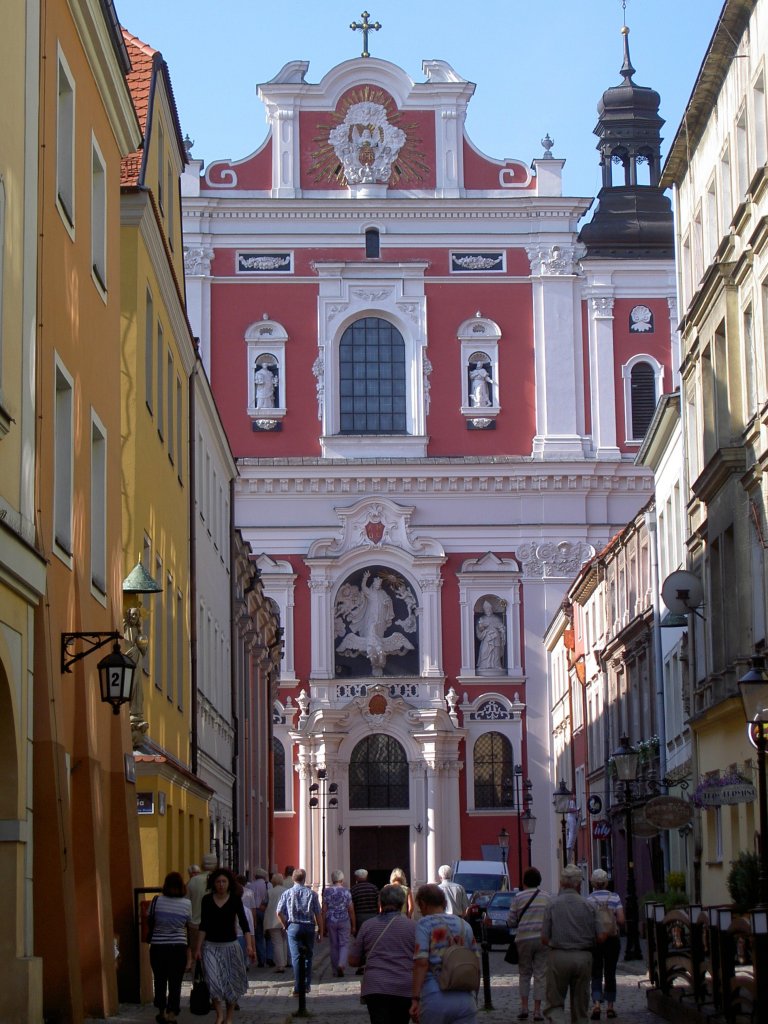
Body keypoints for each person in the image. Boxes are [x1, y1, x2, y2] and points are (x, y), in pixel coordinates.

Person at [541, 864, 606, 1024]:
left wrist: (555, 942)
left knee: (555, 1003)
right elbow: (602, 936)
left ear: (562, 882)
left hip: (558, 955)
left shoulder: (552, 905)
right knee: (580, 1006)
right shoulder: (589, 905)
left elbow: (544, 937)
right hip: (583, 956)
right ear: (578, 884)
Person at [411, 883, 479, 1024]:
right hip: (465, 997)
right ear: (444, 902)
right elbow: (476, 963)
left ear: (423, 903)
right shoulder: (464, 925)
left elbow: (421, 963)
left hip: (435, 996)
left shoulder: (425, 924)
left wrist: (415, 999)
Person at [349, 883, 417, 1024]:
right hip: (404, 986)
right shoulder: (414, 927)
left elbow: (353, 961)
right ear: (402, 903)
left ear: (380, 902)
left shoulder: (367, 926)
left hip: (376, 987)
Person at [195, 867, 256, 1024]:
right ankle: (219, 1014)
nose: (221, 884)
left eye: (224, 881)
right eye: (218, 882)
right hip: (210, 946)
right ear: (213, 884)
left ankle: (228, 1017)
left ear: (229, 883)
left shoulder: (235, 900)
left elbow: (244, 924)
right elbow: (203, 925)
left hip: (231, 946)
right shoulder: (207, 900)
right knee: (213, 981)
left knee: (232, 983)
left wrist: (249, 946)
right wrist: (197, 948)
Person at [507, 867, 551, 1022]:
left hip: (524, 939)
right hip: (542, 939)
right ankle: (537, 1010)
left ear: (524, 881)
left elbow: (511, 921)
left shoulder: (518, 897)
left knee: (524, 973)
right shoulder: (546, 897)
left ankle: (524, 1007)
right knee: (540, 974)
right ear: (539, 881)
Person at [149, 871, 192, 1024]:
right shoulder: (186, 904)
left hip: (158, 946)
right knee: (175, 981)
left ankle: (161, 1011)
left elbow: (150, 918)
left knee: (159, 979)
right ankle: (172, 1013)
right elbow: (189, 924)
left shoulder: (156, 901)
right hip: (178, 947)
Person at [277, 868, 323, 994]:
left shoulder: (287, 893)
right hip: (309, 927)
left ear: (293, 878)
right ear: (304, 879)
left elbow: (279, 912)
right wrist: (321, 931)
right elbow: (318, 914)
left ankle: (298, 987)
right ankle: (307, 984)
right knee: (308, 956)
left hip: (293, 926)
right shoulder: (312, 894)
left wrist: (285, 924)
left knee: (296, 958)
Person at [586, 869, 624, 1020]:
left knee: (595, 972)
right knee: (610, 972)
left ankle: (596, 1005)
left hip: (595, 940)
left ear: (593, 883)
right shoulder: (614, 897)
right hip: (612, 939)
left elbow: (586, 922)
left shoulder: (589, 900)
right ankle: (610, 1007)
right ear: (606, 882)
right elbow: (621, 920)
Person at [322, 869, 356, 977]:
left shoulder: (327, 891)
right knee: (344, 944)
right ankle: (341, 964)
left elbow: (324, 909)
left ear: (332, 879)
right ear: (342, 879)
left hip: (331, 920)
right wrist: (354, 924)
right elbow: (351, 909)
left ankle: (335, 970)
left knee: (333, 945)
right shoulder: (346, 891)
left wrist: (322, 926)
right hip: (344, 920)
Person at [187, 852, 218, 953]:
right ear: (216, 865)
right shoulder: (220, 881)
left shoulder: (193, 881)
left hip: (195, 925)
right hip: (214, 925)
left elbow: (187, 903)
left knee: (197, 956)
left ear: (202, 865)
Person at [264, 872, 290, 973]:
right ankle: (285, 961)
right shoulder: (286, 891)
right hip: (285, 918)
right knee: (283, 941)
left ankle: (280, 965)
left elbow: (264, 904)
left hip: (273, 919)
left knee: (277, 943)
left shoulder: (270, 892)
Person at [246, 867, 270, 966]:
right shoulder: (269, 885)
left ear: (255, 875)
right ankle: (270, 957)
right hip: (266, 911)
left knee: (258, 936)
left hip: (255, 911)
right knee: (269, 936)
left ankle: (261, 960)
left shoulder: (251, 885)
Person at [475, 600, 506, 671]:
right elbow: (479, 629)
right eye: (486, 609)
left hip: (496, 637)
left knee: (495, 652)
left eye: (489, 608)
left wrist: (502, 630)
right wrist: (481, 626)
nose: (487, 610)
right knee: (484, 651)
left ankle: (497, 666)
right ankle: (484, 665)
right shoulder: (482, 618)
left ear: (491, 609)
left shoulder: (497, 618)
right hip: (486, 638)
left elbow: (501, 627)